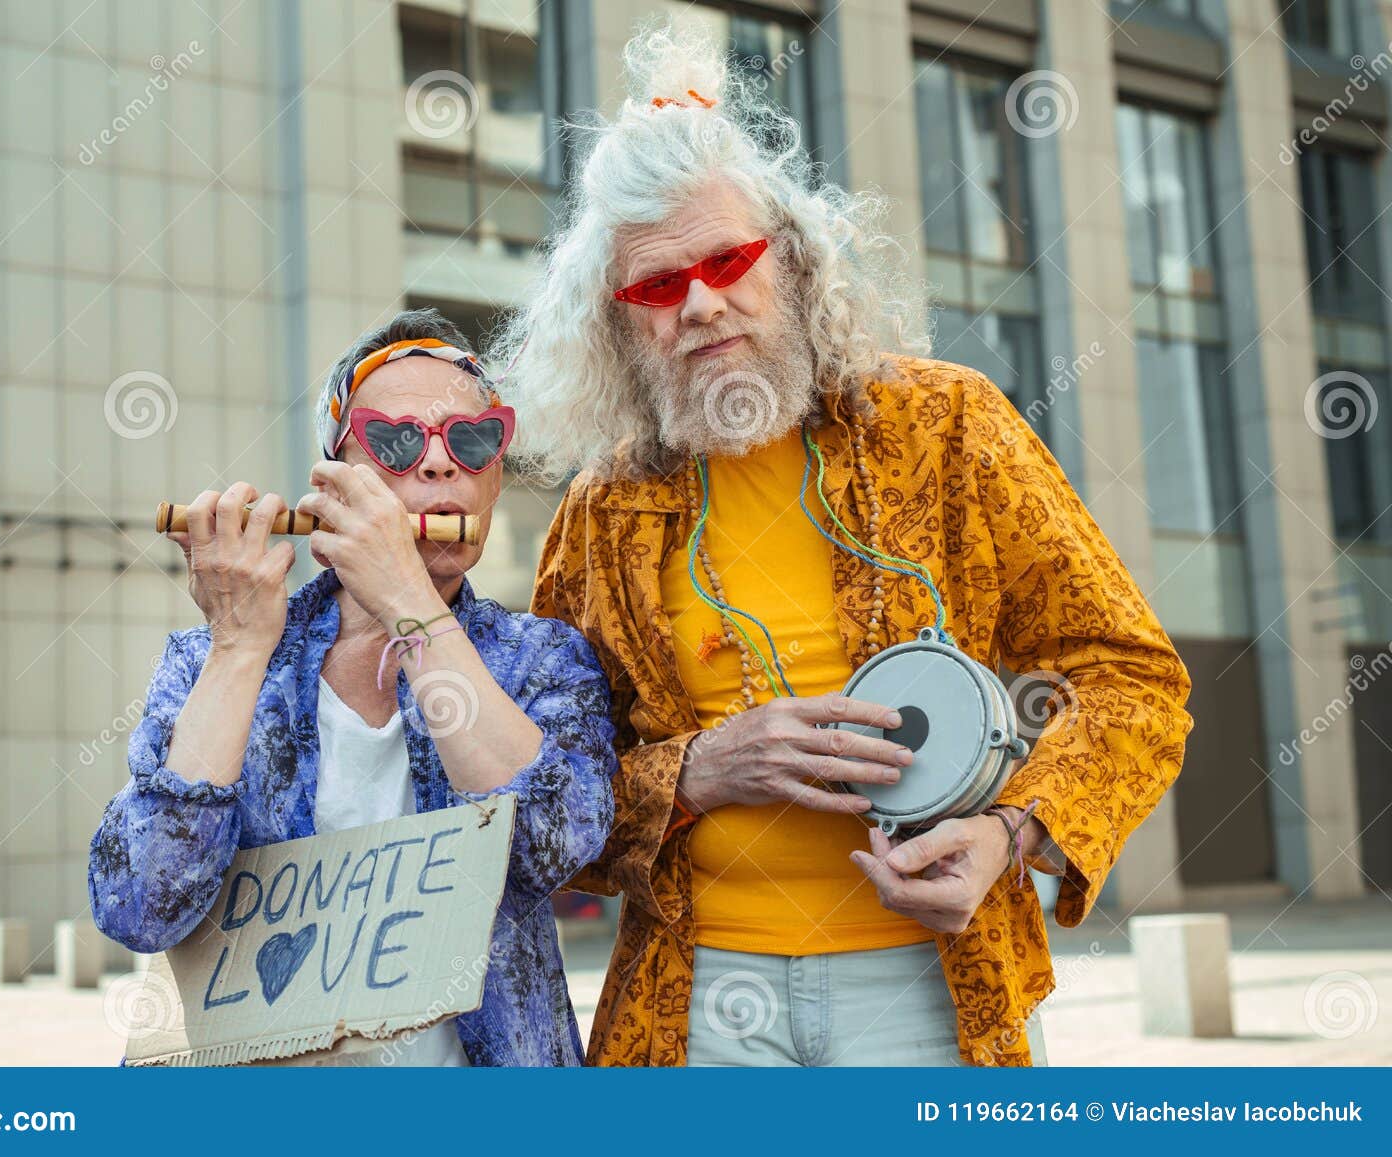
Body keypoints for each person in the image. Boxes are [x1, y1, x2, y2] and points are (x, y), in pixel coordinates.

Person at [495, 23, 1194, 1067]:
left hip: (933, 983)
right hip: (694, 998)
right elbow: (546, 789)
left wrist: (1013, 832)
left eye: (727, 258)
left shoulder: (950, 426)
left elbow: (1134, 679)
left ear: (792, 253)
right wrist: (695, 771)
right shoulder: (602, 510)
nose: (699, 303)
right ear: (616, 320)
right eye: (654, 287)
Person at [88, 308, 617, 1066]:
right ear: (334, 478)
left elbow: (552, 844)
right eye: (397, 441)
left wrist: (411, 605)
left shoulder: (542, 659)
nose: (439, 467)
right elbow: (140, 901)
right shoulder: (204, 661)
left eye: (471, 441)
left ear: (495, 474)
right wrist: (238, 649)